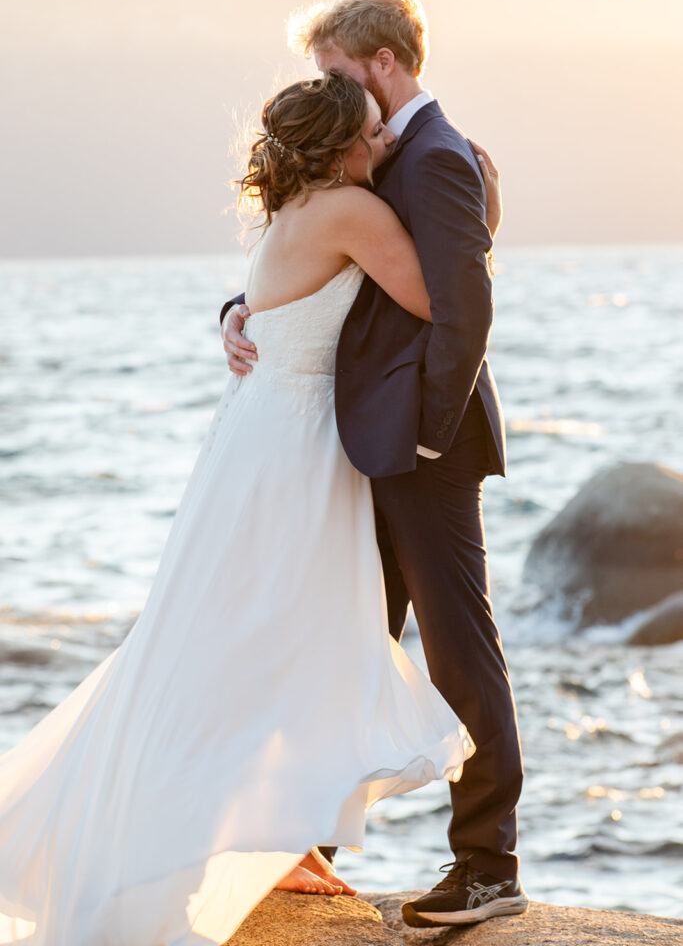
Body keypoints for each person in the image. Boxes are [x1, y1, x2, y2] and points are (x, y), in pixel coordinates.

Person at [0, 71, 477, 946]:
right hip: (293, 450)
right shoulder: (352, 210)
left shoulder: (292, 211)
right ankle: (223, 838)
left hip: (256, 443)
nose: (384, 144)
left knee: (247, 636)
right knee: (271, 638)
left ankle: (276, 835)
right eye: (372, 133)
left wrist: (233, 311)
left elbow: (275, 306)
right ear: (337, 147)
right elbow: (439, 299)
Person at [221, 0, 528, 928]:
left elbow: (461, 309)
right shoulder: (378, 156)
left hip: (420, 448)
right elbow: (310, 265)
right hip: (368, 442)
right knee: (344, 637)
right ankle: (301, 843)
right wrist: (235, 315)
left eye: (336, 74)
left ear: (382, 65)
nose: (327, 92)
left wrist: (429, 433)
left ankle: (486, 868)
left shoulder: (435, 158)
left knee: (457, 653)